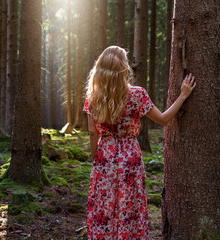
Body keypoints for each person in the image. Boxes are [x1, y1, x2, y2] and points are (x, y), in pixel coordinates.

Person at [83, 46, 196, 240]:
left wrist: (96, 158)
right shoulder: (137, 95)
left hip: (105, 156)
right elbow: (163, 119)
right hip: (130, 156)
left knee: (104, 205)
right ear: (124, 68)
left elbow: (93, 132)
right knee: (129, 205)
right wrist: (183, 95)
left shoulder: (93, 98)